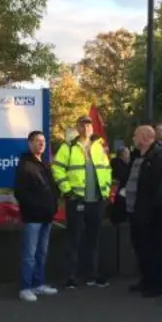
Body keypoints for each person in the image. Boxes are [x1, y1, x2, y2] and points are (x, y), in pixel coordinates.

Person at [52, 116, 112, 289]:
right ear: (77, 128)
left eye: (89, 125)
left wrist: (106, 191)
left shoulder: (98, 147)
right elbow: (57, 168)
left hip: (96, 200)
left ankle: (92, 275)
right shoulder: (68, 146)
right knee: (74, 239)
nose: (86, 127)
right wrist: (67, 190)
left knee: (93, 239)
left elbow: (106, 169)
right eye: (82, 125)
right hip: (76, 199)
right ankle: (71, 276)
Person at [123, 125, 162, 297]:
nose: (133, 138)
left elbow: (159, 188)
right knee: (141, 248)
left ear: (144, 137)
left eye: (135, 135)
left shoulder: (158, 157)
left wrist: (153, 211)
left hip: (149, 214)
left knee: (153, 249)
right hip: (135, 211)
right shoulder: (138, 156)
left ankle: (157, 284)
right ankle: (145, 280)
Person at [14, 131, 60, 302]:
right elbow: (20, 192)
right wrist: (36, 207)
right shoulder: (25, 165)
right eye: (37, 141)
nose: (41, 144)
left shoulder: (45, 164)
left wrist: (53, 206)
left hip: (47, 217)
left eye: (43, 141)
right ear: (30, 143)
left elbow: (52, 189)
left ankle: (38, 284)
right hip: (33, 217)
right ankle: (25, 287)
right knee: (29, 254)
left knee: (42, 253)